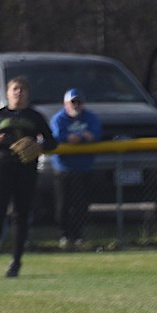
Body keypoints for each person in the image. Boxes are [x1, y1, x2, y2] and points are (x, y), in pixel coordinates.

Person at [0, 76, 57, 277]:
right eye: (15, 89)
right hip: (2, 165)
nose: (18, 92)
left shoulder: (35, 116)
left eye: (22, 89)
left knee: (21, 214)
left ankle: (16, 262)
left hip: (26, 168)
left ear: (27, 93)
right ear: (7, 93)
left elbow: (52, 142)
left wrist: (40, 146)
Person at [50, 88, 102, 249]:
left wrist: (87, 137)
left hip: (84, 167)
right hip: (64, 168)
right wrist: (69, 138)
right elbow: (56, 135)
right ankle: (65, 235)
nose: (76, 105)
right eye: (72, 102)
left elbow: (97, 133)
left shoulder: (90, 117)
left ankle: (78, 235)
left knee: (81, 204)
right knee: (63, 204)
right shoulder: (59, 118)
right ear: (65, 104)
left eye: (78, 102)